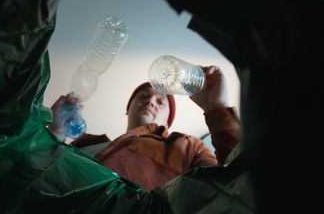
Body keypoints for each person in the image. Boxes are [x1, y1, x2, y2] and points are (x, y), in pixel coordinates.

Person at [48, 65, 241, 192]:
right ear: (128, 109)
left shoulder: (188, 147)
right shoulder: (83, 143)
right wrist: (56, 133)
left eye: (160, 101)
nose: (150, 101)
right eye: (143, 96)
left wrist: (216, 108)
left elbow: (236, 186)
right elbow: (41, 178)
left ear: (168, 121)